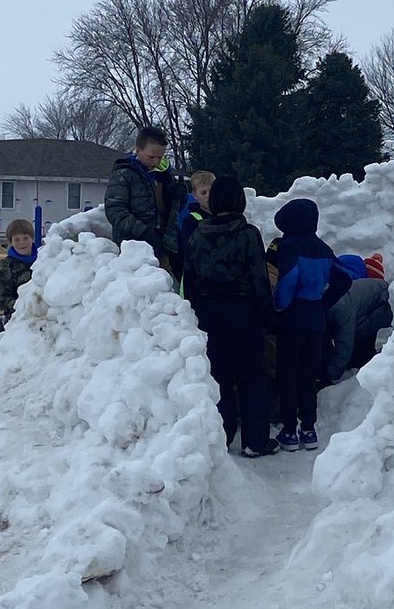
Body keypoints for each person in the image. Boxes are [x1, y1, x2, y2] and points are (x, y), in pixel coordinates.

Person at [182, 176, 278, 459]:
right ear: (239, 200)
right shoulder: (247, 233)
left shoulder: (198, 234)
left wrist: (193, 315)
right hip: (243, 312)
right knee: (251, 377)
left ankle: (221, 438)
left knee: (219, 377)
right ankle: (255, 440)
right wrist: (268, 318)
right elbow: (259, 279)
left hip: (208, 314)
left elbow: (191, 278)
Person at [271, 199, 352, 451]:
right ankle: (309, 429)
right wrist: (322, 303)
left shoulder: (288, 246)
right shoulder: (323, 249)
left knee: (287, 374)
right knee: (308, 376)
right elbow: (345, 278)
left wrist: (279, 307)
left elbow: (288, 283)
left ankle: (288, 431)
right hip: (315, 320)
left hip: (291, 319)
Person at [104, 126, 178, 270]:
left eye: (160, 157)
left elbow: (168, 210)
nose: (156, 162)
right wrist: (143, 231)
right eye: (151, 157)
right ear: (138, 150)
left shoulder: (164, 176)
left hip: (162, 247)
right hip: (132, 250)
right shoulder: (124, 174)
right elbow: (115, 210)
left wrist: (176, 196)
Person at [322, 276, 393, 384]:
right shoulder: (329, 300)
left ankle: (367, 367)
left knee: (357, 344)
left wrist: (331, 374)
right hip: (370, 300)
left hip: (383, 302)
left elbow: (345, 342)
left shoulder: (339, 309)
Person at [176, 170, 215, 280]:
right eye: (203, 193)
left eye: (212, 191)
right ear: (195, 195)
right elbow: (189, 251)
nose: (208, 196)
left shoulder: (224, 216)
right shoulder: (191, 221)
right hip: (200, 274)